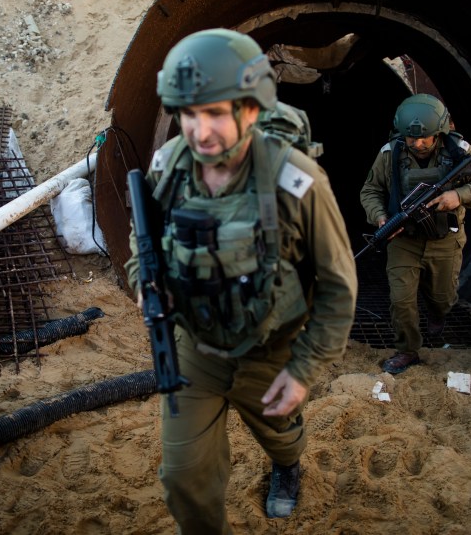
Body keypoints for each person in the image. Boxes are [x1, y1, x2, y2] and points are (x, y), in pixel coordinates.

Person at [124, 28, 357, 533]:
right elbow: (141, 244)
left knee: (280, 435)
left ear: (251, 109)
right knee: (185, 479)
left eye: (215, 113)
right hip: (194, 349)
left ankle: (288, 465)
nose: (199, 131)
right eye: (188, 114)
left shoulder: (295, 180)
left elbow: (339, 285)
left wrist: (303, 372)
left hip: (270, 350)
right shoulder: (168, 168)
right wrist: (145, 282)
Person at [359, 93, 471, 375]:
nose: (418, 144)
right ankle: (407, 350)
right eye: (411, 138)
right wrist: (380, 217)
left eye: (425, 137)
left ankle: (437, 313)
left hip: (444, 240)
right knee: (401, 300)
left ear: (439, 132)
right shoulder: (390, 155)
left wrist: (458, 196)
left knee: (444, 297)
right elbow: (370, 191)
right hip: (404, 241)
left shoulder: (460, 152)